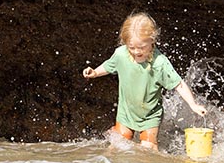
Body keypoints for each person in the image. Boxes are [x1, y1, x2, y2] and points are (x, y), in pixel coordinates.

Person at [82, 12, 207, 151]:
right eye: (132, 47)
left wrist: (193, 105)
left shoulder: (160, 63)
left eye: (141, 47)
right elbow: (108, 66)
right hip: (126, 111)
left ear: (152, 40)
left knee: (148, 149)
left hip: (150, 115)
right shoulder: (121, 54)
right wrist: (95, 73)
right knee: (118, 144)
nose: (136, 52)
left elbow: (179, 84)